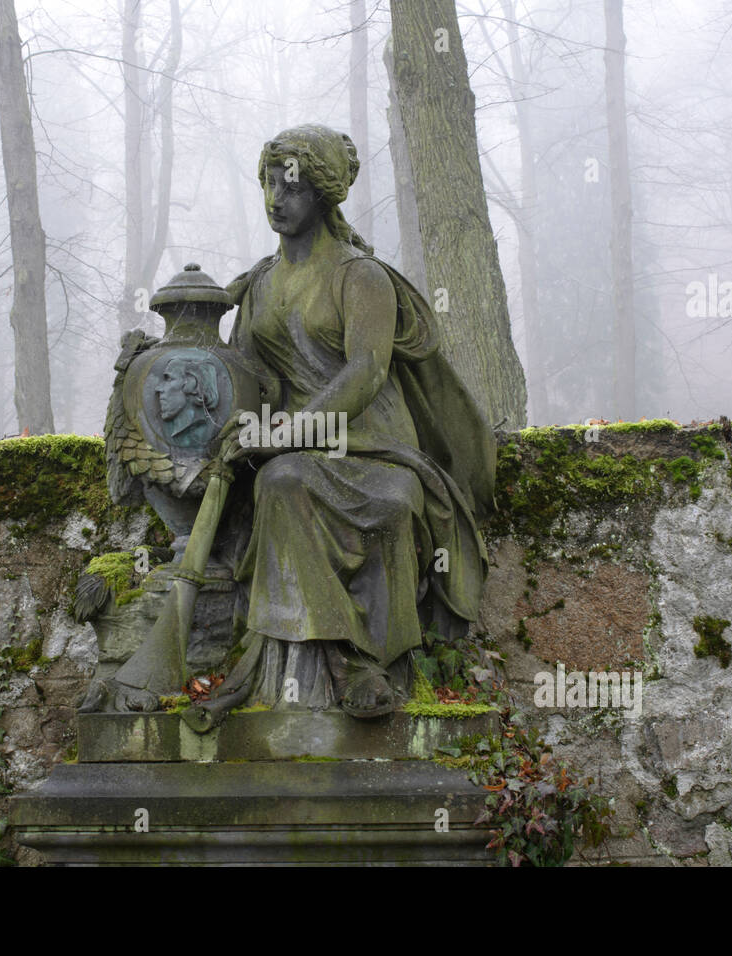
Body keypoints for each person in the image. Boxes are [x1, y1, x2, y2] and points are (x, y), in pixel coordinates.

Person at [185, 123, 495, 726]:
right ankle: (344, 665)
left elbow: (366, 372)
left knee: (393, 502)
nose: (276, 197)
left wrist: (286, 433)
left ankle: (376, 659)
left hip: (374, 448)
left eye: (292, 186)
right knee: (283, 484)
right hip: (294, 457)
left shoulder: (361, 276)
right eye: (270, 183)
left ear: (324, 194)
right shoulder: (258, 287)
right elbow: (244, 373)